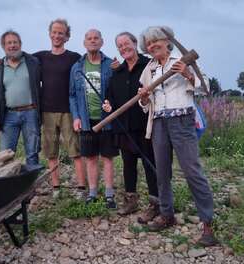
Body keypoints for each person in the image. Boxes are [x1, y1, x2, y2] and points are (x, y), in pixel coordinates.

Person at [137, 26, 217, 246]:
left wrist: (188, 74)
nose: (153, 46)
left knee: (192, 171)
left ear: (167, 41)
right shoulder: (149, 69)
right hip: (159, 122)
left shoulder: (182, 59)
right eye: (149, 44)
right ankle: (167, 215)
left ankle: (208, 224)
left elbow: (205, 87)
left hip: (182, 120)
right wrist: (143, 97)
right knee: (162, 172)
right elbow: (145, 104)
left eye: (156, 41)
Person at [0, 19, 86, 199]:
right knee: (50, 152)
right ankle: (56, 188)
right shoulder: (39, 58)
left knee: (75, 151)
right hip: (46, 112)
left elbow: (90, 64)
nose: (57, 35)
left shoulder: (74, 57)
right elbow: (15, 55)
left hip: (68, 111)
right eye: (54, 32)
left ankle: (81, 188)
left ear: (67, 36)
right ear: (50, 34)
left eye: (61, 33)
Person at [103, 32, 159, 223]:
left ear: (135, 44)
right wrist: (108, 106)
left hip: (145, 125)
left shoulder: (149, 65)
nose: (123, 47)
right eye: (120, 45)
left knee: (149, 164)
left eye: (127, 43)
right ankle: (131, 200)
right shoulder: (117, 73)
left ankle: (155, 204)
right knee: (128, 165)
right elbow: (109, 97)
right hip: (124, 127)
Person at [69, 29, 118, 208]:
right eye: (89, 38)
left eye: (96, 38)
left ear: (102, 42)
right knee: (90, 157)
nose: (93, 41)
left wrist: (111, 103)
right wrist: (76, 117)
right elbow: (72, 95)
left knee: (107, 157)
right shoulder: (77, 67)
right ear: (84, 43)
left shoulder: (110, 64)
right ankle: (92, 193)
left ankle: (109, 194)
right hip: (86, 119)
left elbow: (116, 90)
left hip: (106, 119)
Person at [0, 30, 41, 165]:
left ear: (20, 44)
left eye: (15, 42)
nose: (12, 45)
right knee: (5, 155)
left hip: (31, 113)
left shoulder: (33, 62)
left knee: (32, 153)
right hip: (9, 116)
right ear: (3, 47)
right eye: (9, 43)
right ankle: (8, 184)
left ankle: (31, 185)